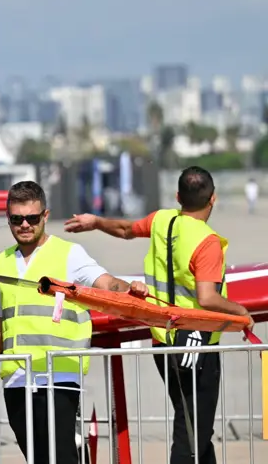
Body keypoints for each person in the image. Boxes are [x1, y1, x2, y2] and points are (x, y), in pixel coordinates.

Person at [64, 165, 253, 464]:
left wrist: (96, 221)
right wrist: (242, 312)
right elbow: (207, 297)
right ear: (213, 199)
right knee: (190, 432)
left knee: (196, 425)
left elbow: (126, 230)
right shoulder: (207, 241)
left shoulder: (162, 220)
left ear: (178, 196)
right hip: (196, 345)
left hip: (163, 343)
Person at [0, 181, 147, 464]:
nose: (25, 225)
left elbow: (106, 282)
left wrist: (127, 289)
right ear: (8, 219)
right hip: (16, 380)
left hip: (58, 376)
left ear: (45, 216)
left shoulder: (69, 254)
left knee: (61, 458)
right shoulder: (3, 261)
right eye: (16, 219)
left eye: (32, 218)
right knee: (37, 459)